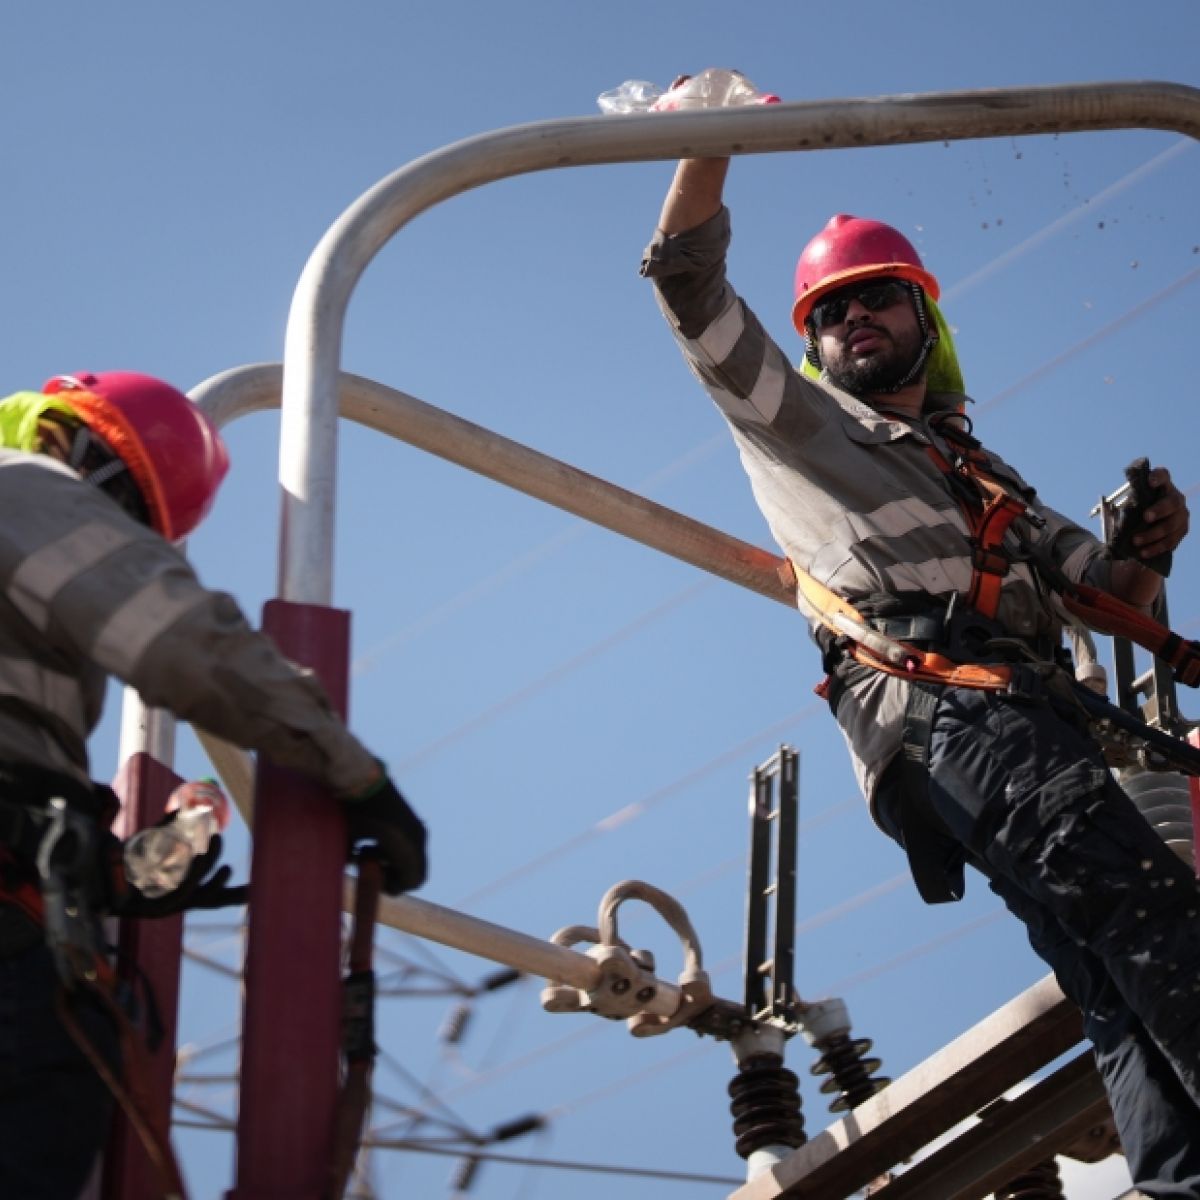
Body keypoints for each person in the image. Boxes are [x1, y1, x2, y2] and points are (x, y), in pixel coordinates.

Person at [642, 139, 1200, 1196]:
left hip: (1013, 724)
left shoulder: (986, 477)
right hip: (952, 718)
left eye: (878, 300)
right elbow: (686, 283)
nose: (852, 320)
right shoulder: (802, 425)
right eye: (829, 314)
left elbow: (1117, 602)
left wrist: (1149, 543)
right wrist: (704, 142)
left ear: (924, 322)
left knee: (1117, 975)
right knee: (1155, 917)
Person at [0, 371, 427, 1198]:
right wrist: (354, 773)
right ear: (89, 457)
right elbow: (182, 641)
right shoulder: (26, 489)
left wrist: (108, 871)